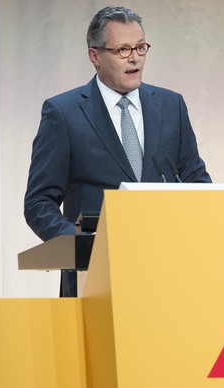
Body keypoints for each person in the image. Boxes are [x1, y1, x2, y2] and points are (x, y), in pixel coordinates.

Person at [24, 6, 212, 297]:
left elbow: (197, 183)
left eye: (140, 47)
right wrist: (80, 245)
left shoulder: (171, 106)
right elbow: (39, 202)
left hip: (166, 273)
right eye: (123, 50)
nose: (135, 57)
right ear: (95, 56)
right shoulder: (64, 113)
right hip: (95, 280)